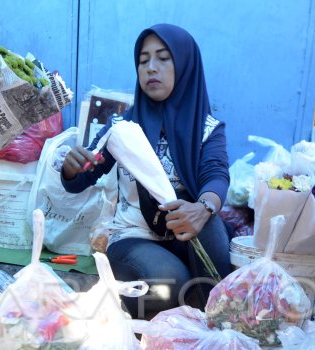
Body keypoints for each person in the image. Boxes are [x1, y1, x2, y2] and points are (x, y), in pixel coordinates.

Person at [61, 23, 231, 319]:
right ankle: (172, 324)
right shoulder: (122, 130)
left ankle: (215, 333)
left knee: (212, 225)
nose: (151, 68)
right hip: (134, 238)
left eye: (163, 58)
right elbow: (82, 178)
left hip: (184, 235)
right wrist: (73, 169)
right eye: (143, 60)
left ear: (185, 65)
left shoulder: (207, 129)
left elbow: (216, 174)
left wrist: (203, 208)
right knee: (171, 281)